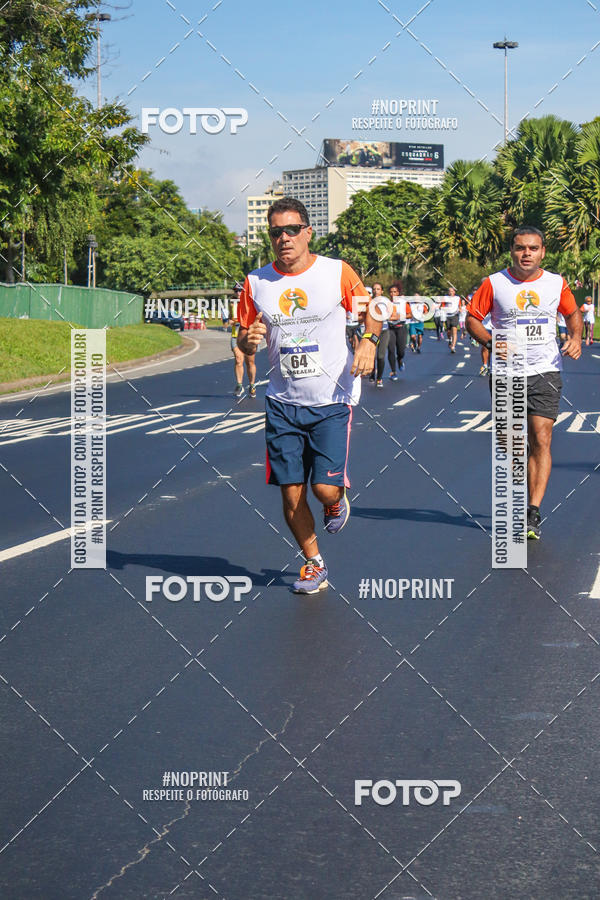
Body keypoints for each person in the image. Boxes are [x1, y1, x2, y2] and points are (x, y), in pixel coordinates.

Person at [237, 197, 380, 592]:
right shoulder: (256, 283)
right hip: (283, 402)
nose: (284, 238)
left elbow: (373, 311)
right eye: (276, 232)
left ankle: (335, 500)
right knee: (291, 493)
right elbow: (244, 337)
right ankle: (314, 563)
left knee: (324, 488)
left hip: (331, 399)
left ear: (308, 232)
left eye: (291, 230)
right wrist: (247, 341)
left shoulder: (337, 272)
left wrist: (368, 342)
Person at [467, 226, 582, 540]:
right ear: (512, 251)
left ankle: (532, 511)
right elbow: (472, 319)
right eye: (520, 248)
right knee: (511, 444)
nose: (526, 254)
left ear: (542, 252)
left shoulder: (556, 283)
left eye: (533, 248)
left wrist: (575, 338)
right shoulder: (494, 283)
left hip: (545, 370)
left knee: (541, 438)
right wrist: (491, 341)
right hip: (506, 372)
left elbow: (572, 313)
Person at [231, 283, 257, 398]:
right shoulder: (231, 304)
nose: (238, 293)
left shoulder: (250, 304)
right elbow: (227, 321)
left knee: (249, 362)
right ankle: (239, 385)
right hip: (235, 335)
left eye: (240, 290)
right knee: (238, 359)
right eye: (236, 291)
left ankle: (252, 385)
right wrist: (230, 321)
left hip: (249, 336)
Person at [387, 282, 411, 379]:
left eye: (395, 292)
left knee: (401, 351)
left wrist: (400, 316)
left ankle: (400, 359)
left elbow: (410, 315)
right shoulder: (387, 303)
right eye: (391, 292)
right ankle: (393, 372)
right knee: (391, 350)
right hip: (390, 328)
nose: (393, 294)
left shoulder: (403, 303)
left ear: (398, 293)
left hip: (401, 327)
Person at [371, 282, 390, 387]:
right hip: (373, 332)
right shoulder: (369, 301)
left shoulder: (386, 301)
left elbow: (392, 314)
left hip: (384, 331)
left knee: (381, 356)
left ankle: (379, 378)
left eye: (378, 289)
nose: (376, 291)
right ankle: (372, 373)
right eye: (374, 289)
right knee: (372, 355)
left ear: (382, 291)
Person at [443, 286, 460, 353]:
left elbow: (459, 306)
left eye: (452, 291)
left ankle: (453, 346)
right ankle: (450, 339)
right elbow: (442, 306)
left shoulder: (457, 298)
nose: (450, 292)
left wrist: (460, 309)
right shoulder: (445, 298)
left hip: (455, 315)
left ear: (454, 292)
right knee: (449, 332)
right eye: (449, 291)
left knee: (454, 330)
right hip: (447, 315)